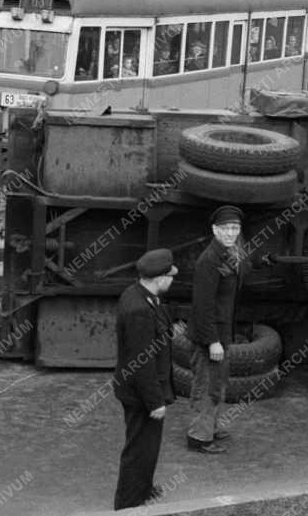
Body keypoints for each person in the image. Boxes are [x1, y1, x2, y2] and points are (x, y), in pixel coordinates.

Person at [112, 248, 177, 510]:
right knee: (138, 449)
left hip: (141, 390)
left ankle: (144, 489)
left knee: (148, 447)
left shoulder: (140, 294)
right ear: (159, 278)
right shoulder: (139, 309)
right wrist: (155, 402)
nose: (172, 281)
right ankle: (128, 504)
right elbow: (142, 362)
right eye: (169, 277)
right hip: (141, 394)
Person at [186, 205, 250, 454]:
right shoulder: (209, 260)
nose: (231, 233)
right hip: (209, 335)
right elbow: (202, 305)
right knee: (206, 384)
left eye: (235, 228)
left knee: (218, 382)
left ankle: (210, 427)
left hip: (222, 333)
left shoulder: (230, 253)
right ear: (214, 230)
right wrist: (212, 341)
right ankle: (199, 437)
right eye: (225, 228)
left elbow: (243, 270)